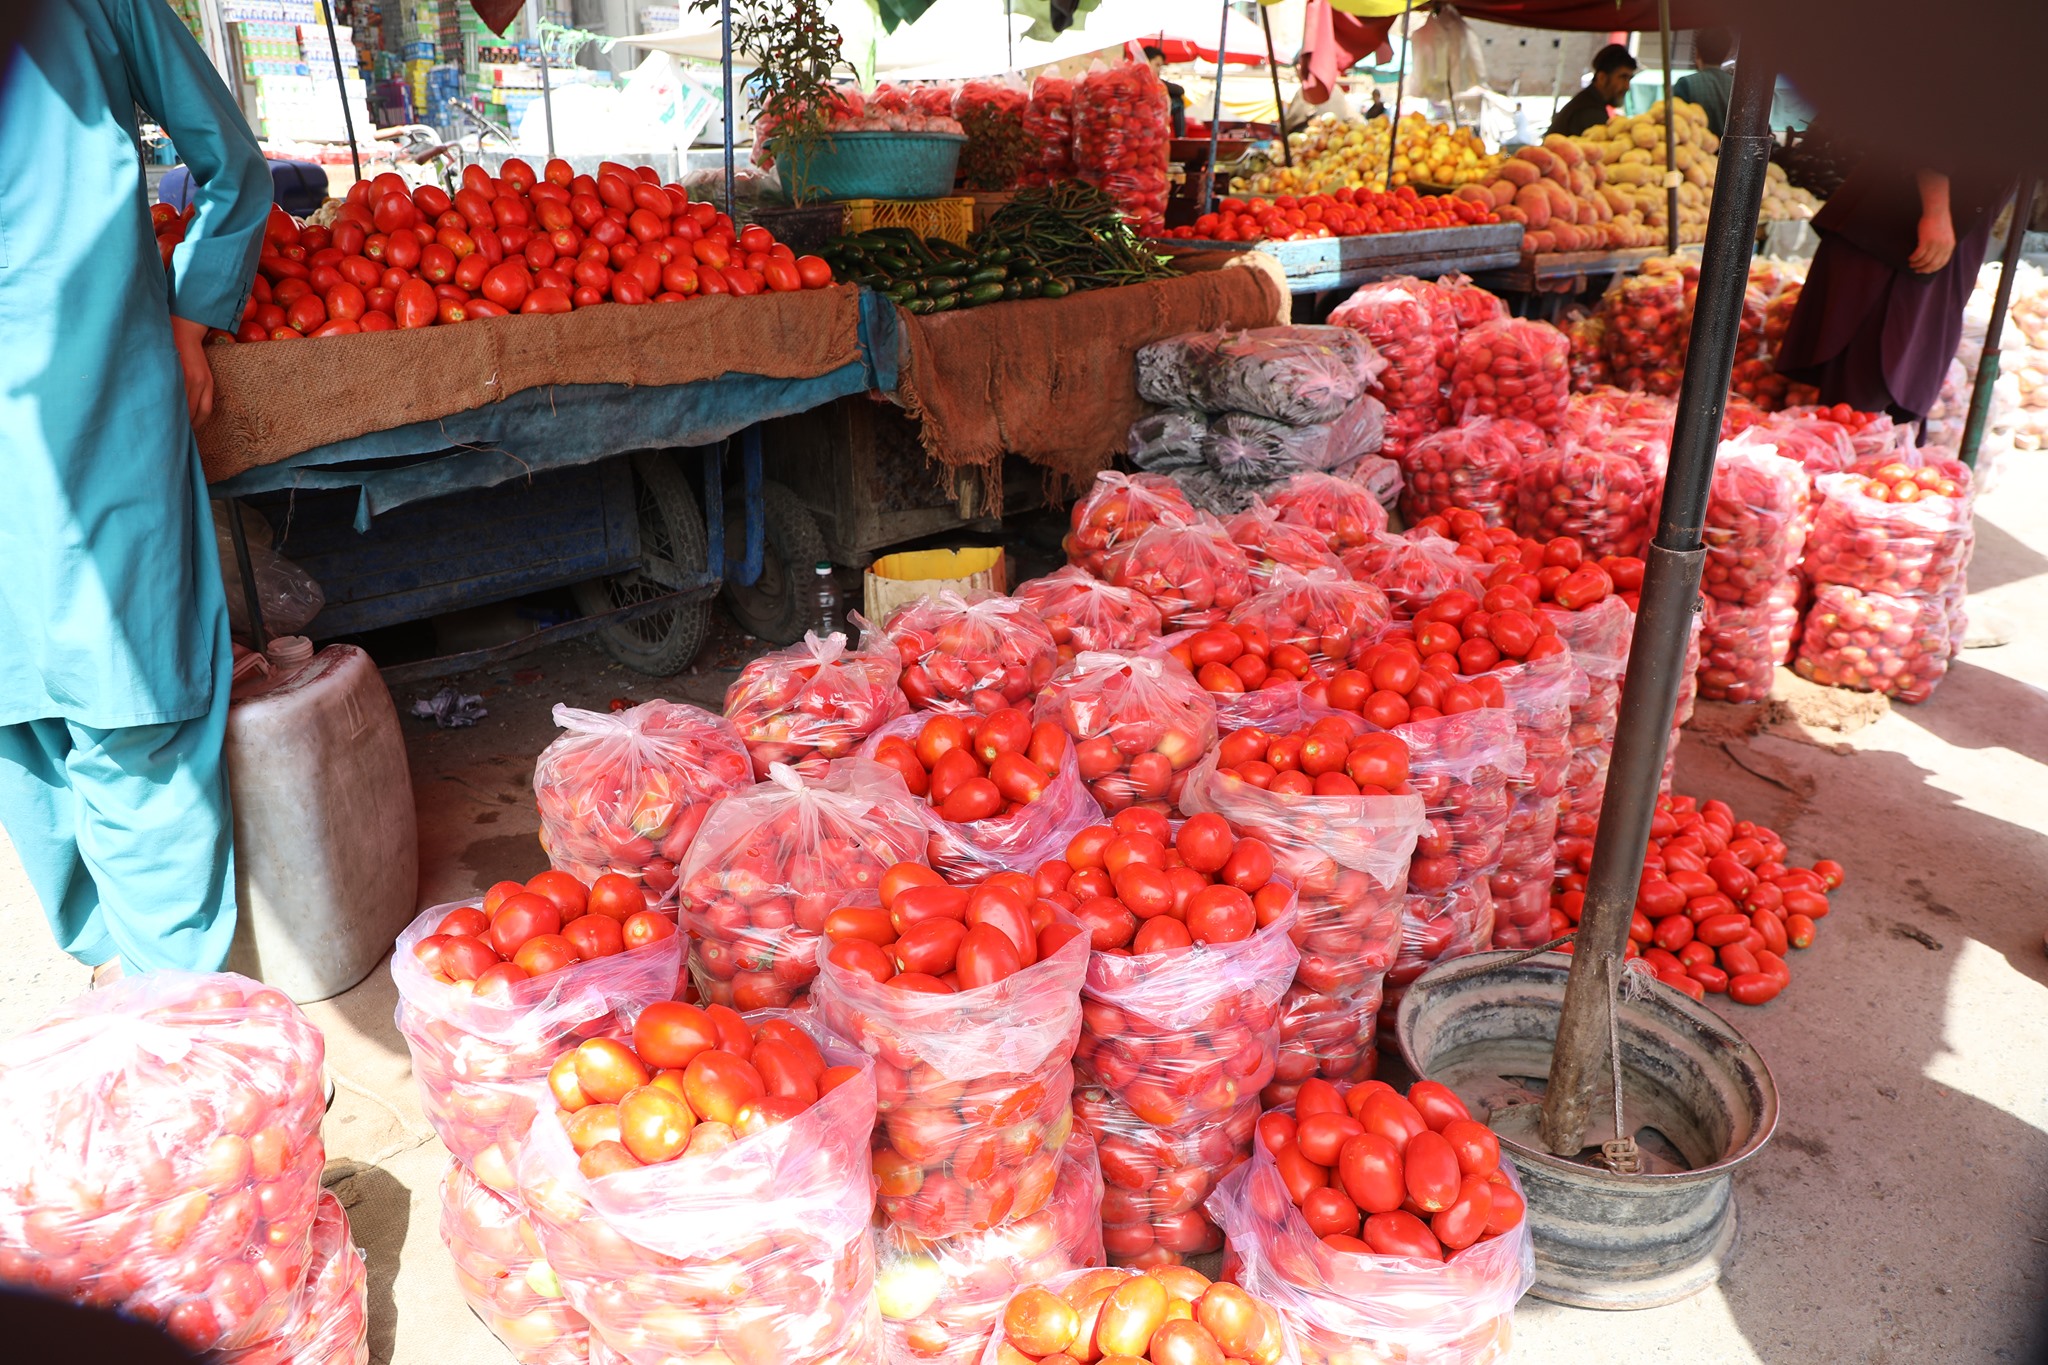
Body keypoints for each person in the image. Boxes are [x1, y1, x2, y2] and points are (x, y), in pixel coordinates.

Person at [0, 0, 271, 982]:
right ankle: (176, 1045)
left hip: (82, 438)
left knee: (23, 736)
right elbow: (231, 163)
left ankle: (121, 994)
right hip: (98, 431)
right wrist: (195, 311)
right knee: (135, 730)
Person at [1776, 161, 2009, 422]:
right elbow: (1933, 139)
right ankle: (1849, 437)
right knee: (1874, 354)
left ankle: (1862, 438)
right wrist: (1936, 213)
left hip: (1941, 229)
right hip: (1906, 227)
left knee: (1900, 358)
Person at [1548, 42, 1637, 137]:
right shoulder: (1590, 111)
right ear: (1602, 78)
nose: (1627, 86)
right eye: (1623, 77)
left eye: (1629, 79)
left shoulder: (1587, 101)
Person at [1672, 27, 1736, 135]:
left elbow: (1674, 123)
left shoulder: (1685, 84)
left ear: (1696, 52)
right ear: (1727, 55)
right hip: (1731, 152)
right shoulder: (1738, 88)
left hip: (1693, 150)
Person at [1142, 45, 1188, 137]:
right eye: (1157, 65)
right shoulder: (1145, 78)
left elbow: (1180, 90)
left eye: (1160, 66)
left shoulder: (1157, 82)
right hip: (1144, 113)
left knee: (1177, 99)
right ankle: (1181, 138)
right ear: (1146, 62)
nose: (1159, 70)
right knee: (1178, 102)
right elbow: (1179, 90)